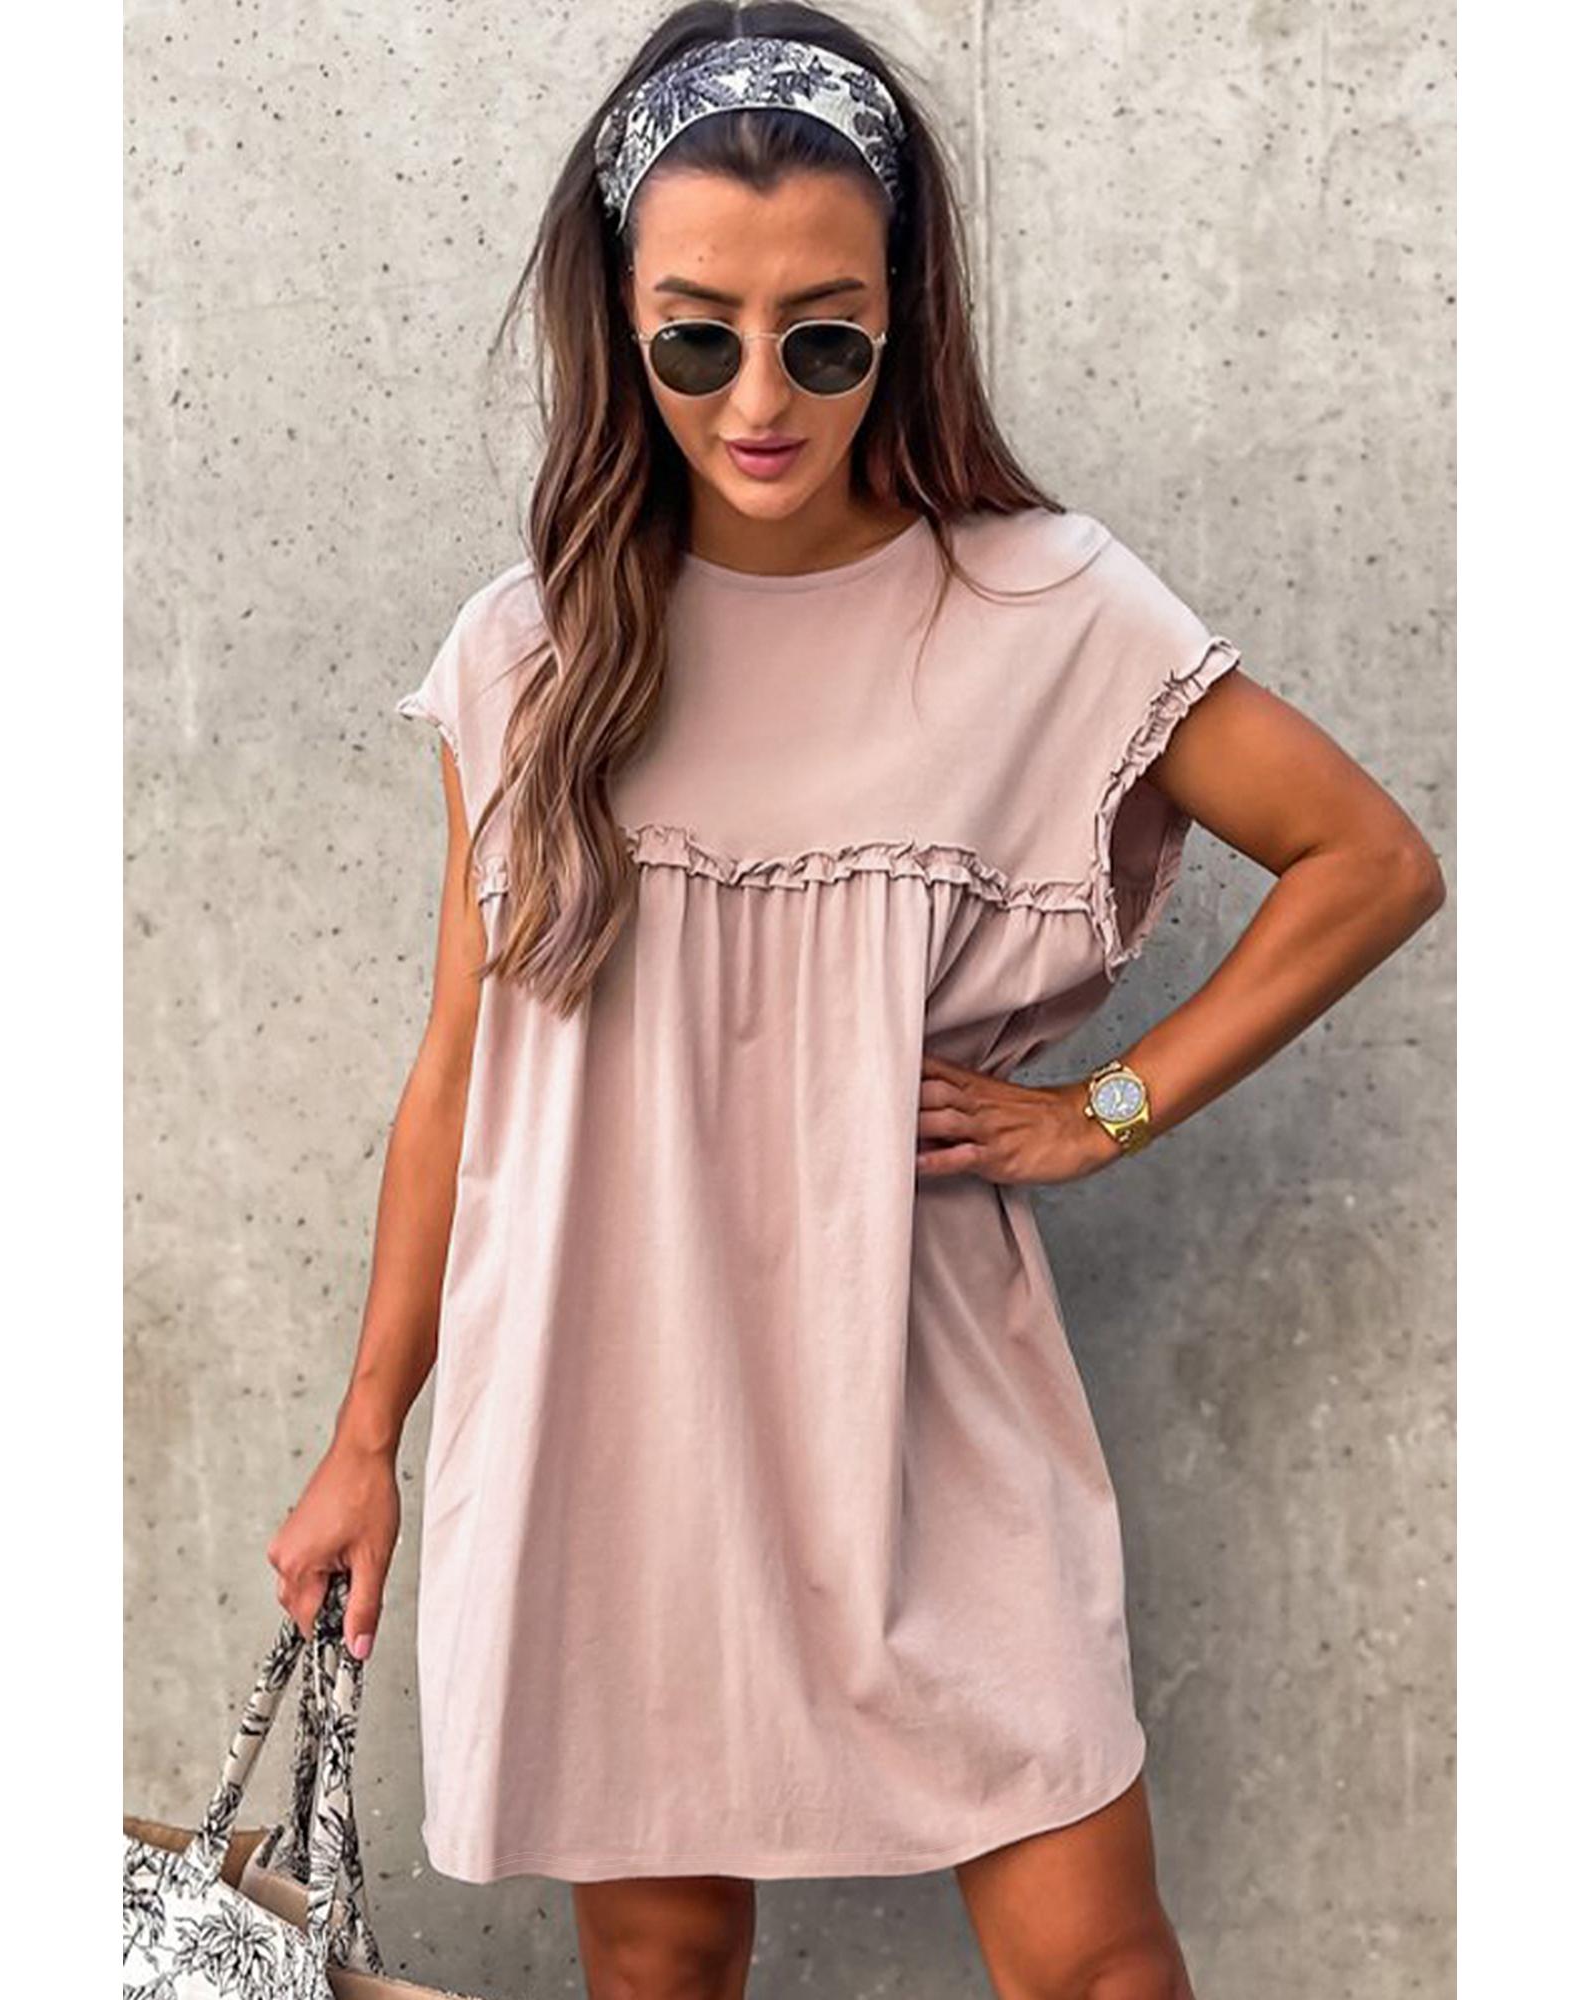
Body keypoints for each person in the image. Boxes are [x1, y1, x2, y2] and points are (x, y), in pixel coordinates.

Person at [265, 5, 1446, 1995]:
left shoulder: (1043, 607)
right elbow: (462, 1072)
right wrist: (364, 1434)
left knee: (1096, 1963)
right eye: (694, 339)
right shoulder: (525, 654)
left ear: (903, 317)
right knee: (660, 1972)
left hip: (923, 1407)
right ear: (617, 321)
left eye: (824, 340)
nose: (759, 399)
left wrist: (1101, 1111)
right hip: (605, 1410)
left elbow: (1369, 861)